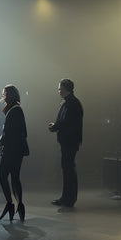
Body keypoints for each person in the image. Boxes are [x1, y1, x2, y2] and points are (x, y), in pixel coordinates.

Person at [48, 78, 84, 208]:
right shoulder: (71, 102)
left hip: (69, 141)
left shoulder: (71, 103)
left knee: (68, 169)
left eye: (60, 88)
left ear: (65, 88)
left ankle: (69, 199)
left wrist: (54, 126)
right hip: (69, 140)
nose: (58, 90)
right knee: (68, 169)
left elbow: (66, 122)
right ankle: (67, 198)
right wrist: (56, 126)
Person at [0, 85, 28, 223]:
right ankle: (19, 205)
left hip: (12, 149)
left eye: (4, 94)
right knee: (14, 177)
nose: (3, 96)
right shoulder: (16, 109)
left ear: (9, 95)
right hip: (16, 149)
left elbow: (10, 133)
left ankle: (11, 204)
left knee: (3, 175)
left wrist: (3, 146)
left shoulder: (14, 111)